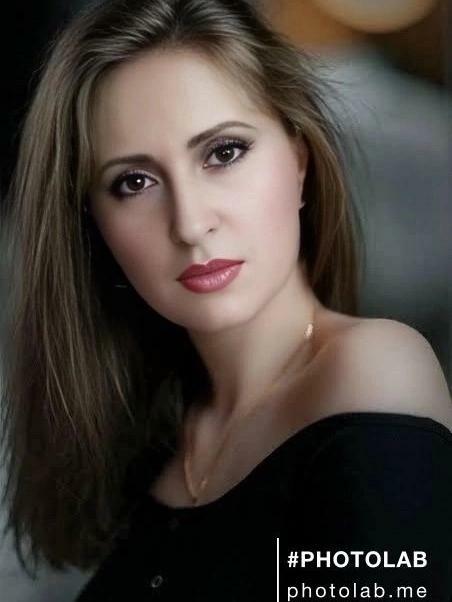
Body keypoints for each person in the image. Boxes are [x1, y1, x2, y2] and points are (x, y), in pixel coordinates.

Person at [1, 0, 452, 600]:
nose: (190, 224)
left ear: (299, 161)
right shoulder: (152, 436)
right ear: (94, 224)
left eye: (224, 152)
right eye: (134, 182)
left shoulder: (372, 368)